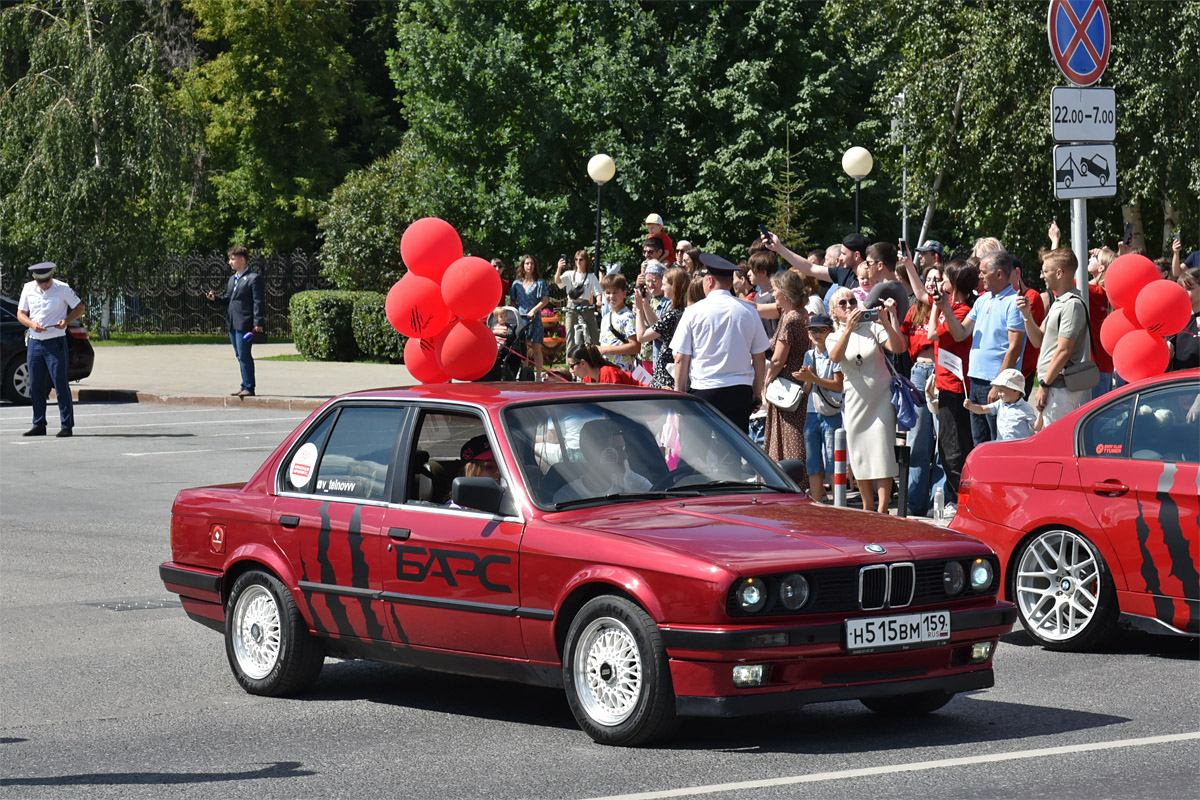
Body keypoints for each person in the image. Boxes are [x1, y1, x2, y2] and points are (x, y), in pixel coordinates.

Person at [827, 287, 906, 514]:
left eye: (852, 300)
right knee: (859, 453)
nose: (849, 305)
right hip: (855, 400)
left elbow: (899, 347)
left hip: (880, 396)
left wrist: (887, 320)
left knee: (883, 450)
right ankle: (867, 505)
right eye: (843, 303)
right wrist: (848, 330)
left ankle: (882, 508)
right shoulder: (834, 335)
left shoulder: (871, 326)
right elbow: (835, 356)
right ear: (834, 311)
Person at [671, 253, 770, 433]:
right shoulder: (748, 311)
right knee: (734, 450)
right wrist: (757, 391)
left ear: (709, 280)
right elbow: (759, 356)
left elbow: (680, 358)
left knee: (699, 451)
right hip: (740, 390)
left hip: (705, 389)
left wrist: (679, 394)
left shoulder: (693, 312)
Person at [937, 250, 1025, 446]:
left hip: (995, 383)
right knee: (979, 441)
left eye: (983, 272)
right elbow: (960, 333)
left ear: (999, 274)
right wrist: (946, 308)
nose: (979, 276)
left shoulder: (1013, 303)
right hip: (975, 380)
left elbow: (1015, 347)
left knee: (998, 440)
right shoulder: (983, 299)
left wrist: (998, 384)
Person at [925, 260, 977, 518]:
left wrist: (940, 305)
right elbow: (932, 334)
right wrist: (938, 304)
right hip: (945, 383)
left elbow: (936, 334)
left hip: (957, 389)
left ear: (954, 284)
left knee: (954, 449)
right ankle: (958, 500)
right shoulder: (949, 307)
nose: (940, 284)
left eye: (944, 279)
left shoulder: (963, 310)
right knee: (947, 448)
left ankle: (962, 503)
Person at [1017, 248, 1090, 426]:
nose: (1042, 276)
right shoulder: (1061, 301)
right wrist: (1026, 315)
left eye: (1045, 271)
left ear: (1059, 273)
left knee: (1056, 446)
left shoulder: (1072, 305)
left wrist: (1044, 385)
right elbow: (1038, 340)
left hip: (1059, 389)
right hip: (1054, 387)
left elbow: (1064, 350)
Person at [16, 262, 86, 437]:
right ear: (35, 279)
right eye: (40, 281)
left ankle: (66, 425)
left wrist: (67, 321)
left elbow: (80, 307)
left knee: (60, 384)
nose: (43, 284)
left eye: (46, 280)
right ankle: (39, 424)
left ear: (51, 276)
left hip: (55, 342)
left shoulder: (62, 289)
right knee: (36, 385)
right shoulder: (28, 288)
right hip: (34, 342)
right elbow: (21, 313)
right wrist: (32, 324)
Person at [899, 264, 942, 517]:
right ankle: (915, 503)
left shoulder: (945, 308)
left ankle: (940, 497)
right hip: (918, 371)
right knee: (917, 440)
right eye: (928, 279)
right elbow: (901, 343)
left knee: (941, 439)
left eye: (938, 279)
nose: (932, 283)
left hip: (939, 372)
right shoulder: (914, 311)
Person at [762, 271, 810, 485]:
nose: (773, 294)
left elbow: (778, 359)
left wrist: (765, 382)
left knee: (789, 436)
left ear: (785, 292)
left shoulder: (790, 318)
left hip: (786, 386)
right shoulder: (800, 313)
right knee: (790, 434)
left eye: (775, 290)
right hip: (797, 383)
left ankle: (793, 482)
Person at [793, 313, 843, 503]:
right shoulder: (809, 355)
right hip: (812, 411)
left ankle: (838, 502)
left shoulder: (835, 353)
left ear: (830, 331)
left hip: (831, 411)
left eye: (822, 330)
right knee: (813, 461)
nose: (817, 334)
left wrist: (812, 379)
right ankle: (818, 501)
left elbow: (838, 385)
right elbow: (807, 389)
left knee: (832, 460)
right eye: (813, 330)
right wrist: (806, 379)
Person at [205, 245, 265, 397]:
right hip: (232, 322)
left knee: (244, 355)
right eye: (230, 259)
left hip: (245, 323)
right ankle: (244, 384)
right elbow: (227, 299)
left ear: (242, 259)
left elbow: (258, 301)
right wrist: (215, 299)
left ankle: (249, 387)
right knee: (239, 355)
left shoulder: (253, 278)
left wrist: (258, 322)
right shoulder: (233, 279)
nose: (230, 262)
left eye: (232, 259)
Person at [552, 419, 652, 504]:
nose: (625, 456)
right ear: (593, 454)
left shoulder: (634, 484)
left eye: (623, 448)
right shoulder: (568, 498)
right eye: (616, 450)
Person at [633, 266, 688, 389]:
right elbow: (658, 327)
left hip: (666, 376)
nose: (662, 288)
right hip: (672, 372)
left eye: (664, 285)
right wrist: (645, 303)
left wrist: (639, 309)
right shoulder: (682, 310)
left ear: (674, 287)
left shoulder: (673, 313)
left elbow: (641, 337)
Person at [964, 368, 1037, 441]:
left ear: (1015, 390)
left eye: (1001, 391)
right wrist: (971, 406)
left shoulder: (1025, 408)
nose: (999, 394)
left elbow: (1036, 427)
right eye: (998, 391)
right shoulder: (1000, 404)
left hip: (1019, 446)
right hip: (1002, 444)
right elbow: (982, 409)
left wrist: (1040, 413)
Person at [512, 254, 551, 377]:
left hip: (534, 318)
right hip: (521, 318)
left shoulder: (539, 283)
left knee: (536, 347)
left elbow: (545, 300)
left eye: (532, 263)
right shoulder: (516, 283)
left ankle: (539, 375)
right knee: (523, 348)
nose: (529, 266)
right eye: (527, 263)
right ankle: (525, 374)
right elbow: (513, 301)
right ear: (523, 266)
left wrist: (534, 310)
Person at [555, 250, 601, 353]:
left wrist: (598, 301)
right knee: (570, 332)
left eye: (581, 260)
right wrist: (559, 268)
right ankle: (571, 362)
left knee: (594, 332)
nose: (578, 262)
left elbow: (598, 292)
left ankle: (597, 356)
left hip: (585, 304)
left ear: (586, 261)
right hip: (571, 304)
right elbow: (558, 282)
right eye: (576, 260)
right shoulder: (569, 274)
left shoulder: (591, 276)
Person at [597, 273, 639, 372]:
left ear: (624, 294)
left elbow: (635, 346)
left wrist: (607, 350)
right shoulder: (606, 318)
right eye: (608, 292)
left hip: (622, 372)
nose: (611, 296)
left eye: (615, 292)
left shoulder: (628, 316)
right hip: (606, 371)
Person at [1166, 267, 1200, 371]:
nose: (1184, 292)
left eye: (1190, 288)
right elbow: (1169, 351)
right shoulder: (1177, 318)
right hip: (1181, 382)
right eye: (1182, 288)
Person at [566, 344, 642, 385]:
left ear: (582, 363)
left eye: (572, 366)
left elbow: (615, 404)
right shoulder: (587, 379)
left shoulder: (608, 373)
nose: (571, 371)